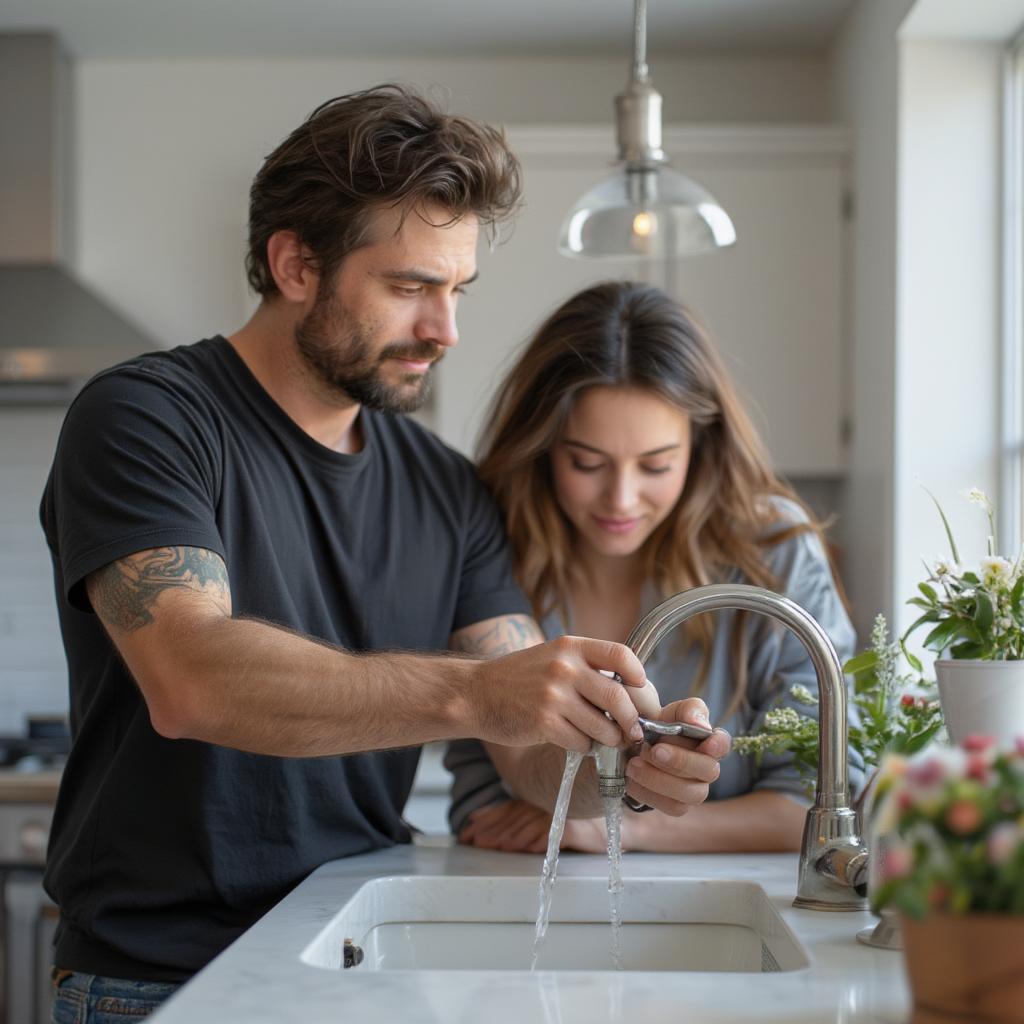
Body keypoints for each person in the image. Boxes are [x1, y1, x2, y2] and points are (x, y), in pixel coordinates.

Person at [40, 87, 728, 1021]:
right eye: (410, 287)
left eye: (456, 290)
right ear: (294, 264)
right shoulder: (148, 419)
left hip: (363, 950)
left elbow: (520, 741)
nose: (444, 330)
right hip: (158, 979)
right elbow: (192, 678)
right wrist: (477, 691)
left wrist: (624, 765)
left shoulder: (446, 486)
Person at [447, 281, 858, 855]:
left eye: (656, 465)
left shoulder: (772, 548)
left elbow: (826, 800)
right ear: (542, 447)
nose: (621, 498)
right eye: (585, 462)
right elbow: (485, 801)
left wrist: (632, 826)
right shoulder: (488, 541)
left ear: (700, 447)